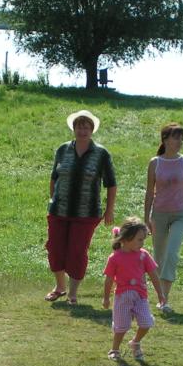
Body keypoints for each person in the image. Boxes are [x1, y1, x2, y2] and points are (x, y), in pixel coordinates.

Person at [45, 109, 117, 305]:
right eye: (79, 127)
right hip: (59, 211)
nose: (82, 131)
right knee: (55, 248)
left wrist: (109, 210)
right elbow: (54, 178)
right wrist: (53, 200)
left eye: (86, 127)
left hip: (87, 213)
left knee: (77, 251)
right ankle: (60, 287)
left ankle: (73, 293)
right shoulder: (62, 150)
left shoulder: (101, 154)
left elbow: (111, 184)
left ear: (92, 130)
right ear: (73, 128)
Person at [143, 123, 183, 314]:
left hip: (181, 214)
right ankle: (160, 297)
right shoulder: (155, 163)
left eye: (181, 138)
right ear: (165, 139)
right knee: (159, 257)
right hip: (159, 215)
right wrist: (146, 217)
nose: (179, 142)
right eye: (176, 138)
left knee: (172, 254)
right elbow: (150, 192)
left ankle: (164, 299)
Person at [102, 217, 165, 361]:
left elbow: (154, 275)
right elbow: (109, 280)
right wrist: (106, 298)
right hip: (122, 297)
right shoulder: (115, 258)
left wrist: (160, 294)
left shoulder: (144, 255)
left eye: (143, 240)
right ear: (126, 238)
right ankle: (115, 349)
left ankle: (135, 342)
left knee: (146, 322)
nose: (142, 243)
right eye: (139, 239)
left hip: (140, 297)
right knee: (121, 326)